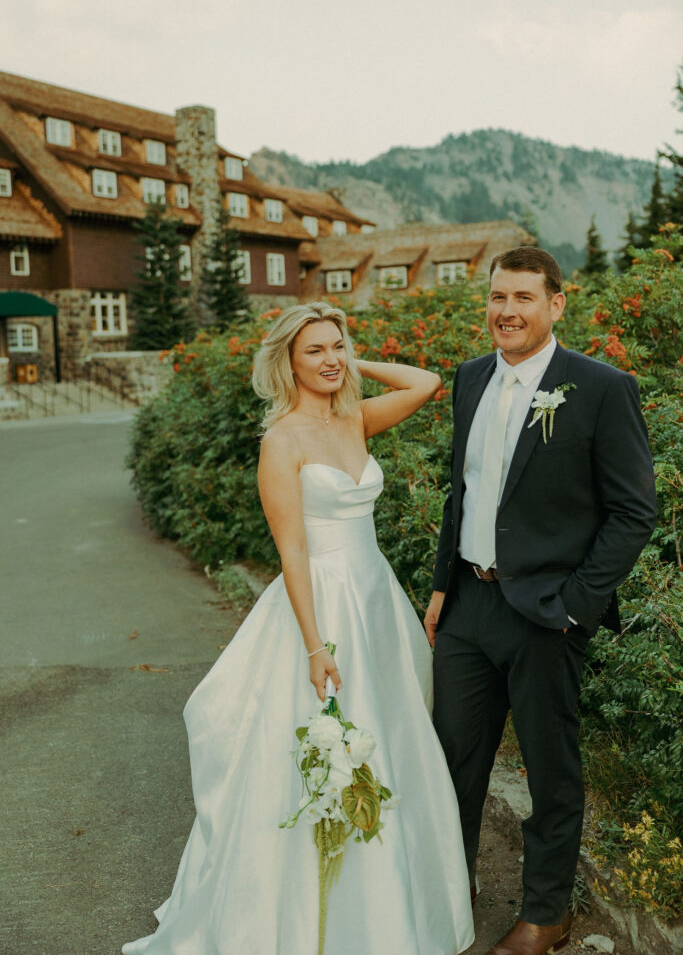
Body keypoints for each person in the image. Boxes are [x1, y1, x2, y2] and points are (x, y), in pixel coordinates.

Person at [123, 302, 475, 955]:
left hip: (374, 601)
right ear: (287, 361)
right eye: (312, 350)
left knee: (389, 740)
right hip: (319, 606)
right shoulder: (280, 441)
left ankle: (394, 915)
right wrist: (315, 646)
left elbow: (424, 383)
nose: (330, 359)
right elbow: (292, 553)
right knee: (321, 749)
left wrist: (350, 362)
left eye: (335, 346)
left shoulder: (355, 418)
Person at [425, 246, 657, 955]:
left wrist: (575, 605)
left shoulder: (597, 386)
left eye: (523, 298)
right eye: (497, 297)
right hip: (469, 605)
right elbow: (460, 493)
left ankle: (545, 913)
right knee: (450, 760)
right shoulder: (468, 380)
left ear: (556, 304)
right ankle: (443, 890)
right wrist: (440, 586)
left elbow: (632, 511)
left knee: (549, 768)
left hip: (547, 614)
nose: (506, 311)